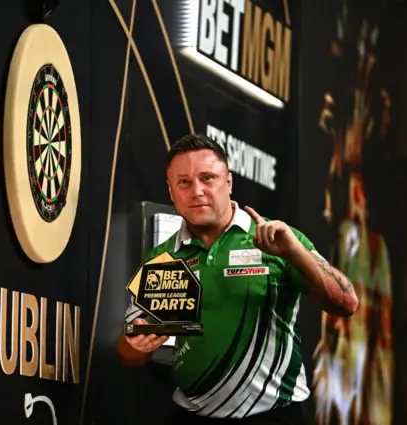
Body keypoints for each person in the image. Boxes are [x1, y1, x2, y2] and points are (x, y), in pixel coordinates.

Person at [115, 134, 359, 424]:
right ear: (171, 190)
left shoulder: (276, 239)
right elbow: (128, 354)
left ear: (228, 182)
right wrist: (135, 343)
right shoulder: (163, 259)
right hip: (191, 414)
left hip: (274, 414)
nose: (197, 191)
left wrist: (295, 252)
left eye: (208, 178)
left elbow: (346, 302)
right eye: (184, 182)